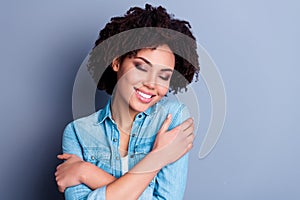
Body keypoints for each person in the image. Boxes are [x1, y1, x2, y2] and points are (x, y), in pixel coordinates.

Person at [55, 4, 199, 200]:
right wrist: (158, 157)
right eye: (141, 67)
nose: (151, 84)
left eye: (164, 76)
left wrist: (86, 172)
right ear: (116, 62)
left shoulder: (173, 118)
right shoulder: (78, 133)